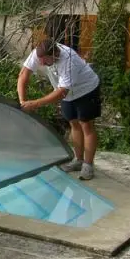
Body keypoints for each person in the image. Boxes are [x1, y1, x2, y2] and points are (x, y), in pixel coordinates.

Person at [17, 38, 101, 181]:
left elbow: (62, 92)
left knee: (86, 124)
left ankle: (88, 165)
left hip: (86, 89)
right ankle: (78, 160)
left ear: (55, 55)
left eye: (45, 61)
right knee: (73, 123)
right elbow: (23, 74)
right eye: (40, 60)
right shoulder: (39, 53)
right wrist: (23, 101)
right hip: (67, 93)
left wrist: (36, 103)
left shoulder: (69, 60)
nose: (41, 64)